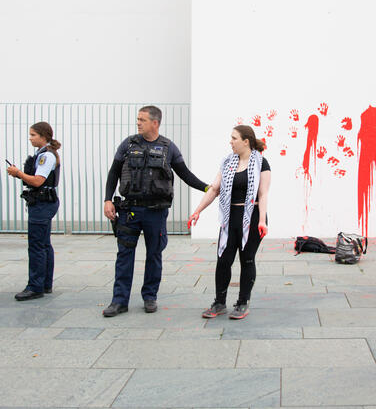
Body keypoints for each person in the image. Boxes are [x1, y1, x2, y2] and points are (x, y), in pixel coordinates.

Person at [102, 105, 209, 317]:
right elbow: (113, 173)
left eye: (142, 119)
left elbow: (185, 175)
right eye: (138, 119)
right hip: (129, 210)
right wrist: (107, 199)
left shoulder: (168, 148)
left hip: (156, 212)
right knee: (124, 256)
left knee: (154, 254)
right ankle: (119, 300)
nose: (138, 123)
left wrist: (208, 188)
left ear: (155, 122)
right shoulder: (128, 144)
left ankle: (150, 296)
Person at [188, 125, 271, 320]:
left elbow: (263, 193)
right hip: (230, 215)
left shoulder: (261, 163)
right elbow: (214, 189)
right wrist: (198, 210)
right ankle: (219, 303)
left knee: (247, 259)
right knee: (223, 259)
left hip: (252, 216)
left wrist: (262, 220)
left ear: (246, 141)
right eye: (230, 138)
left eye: (234, 138)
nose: (230, 142)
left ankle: (243, 303)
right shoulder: (227, 162)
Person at [6, 122, 61, 301]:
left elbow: (38, 181)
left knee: (37, 245)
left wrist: (18, 173)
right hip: (44, 202)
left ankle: (35, 286)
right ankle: (45, 283)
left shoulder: (47, 156)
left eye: (33, 135)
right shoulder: (44, 154)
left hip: (42, 203)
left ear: (43, 136)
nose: (30, 138)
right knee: (44, 244)